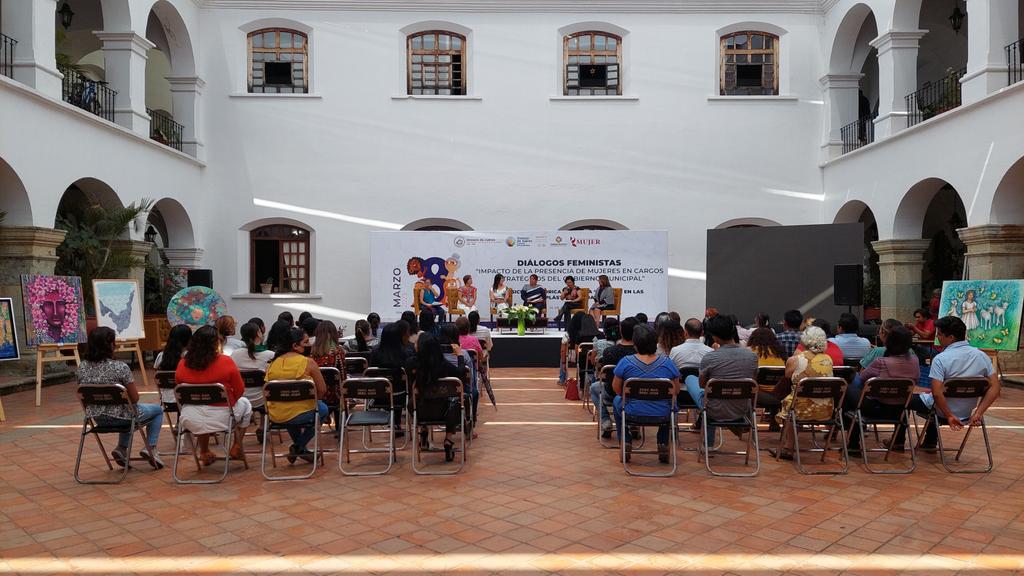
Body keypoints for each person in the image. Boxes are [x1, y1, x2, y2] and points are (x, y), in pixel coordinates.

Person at [892, 316, 1001, 450]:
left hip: (943, 412)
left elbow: (937, 394)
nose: (938, 337)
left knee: (905, 399)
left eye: (940, 334)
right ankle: (930, 442)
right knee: (934, 400)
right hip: (967, 411)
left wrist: (949, 415)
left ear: (951, 337)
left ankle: (898, 442)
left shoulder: (941, 359)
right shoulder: (982, 356)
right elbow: (995, 387)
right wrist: (978, 413)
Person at [78, 326, 165, 469]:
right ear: (111, 344)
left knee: (126, 409)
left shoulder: (82, 368)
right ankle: (150, 448)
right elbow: (135, 398)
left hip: (97, 418)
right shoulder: (120, 367)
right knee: (156, 410)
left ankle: (122, 448)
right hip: (122, 417)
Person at [175, 325, 252, 466]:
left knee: (200, 406)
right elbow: (240, 390)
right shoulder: (225, 361)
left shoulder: (182, 364)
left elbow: (179, 389)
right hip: (223, 417)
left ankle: (203, 451)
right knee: (246, 405)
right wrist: (229, 401)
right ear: (216, 343)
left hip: (190, 418)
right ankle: (236, 445)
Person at [611, 324, 680, 463]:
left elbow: (617, 389)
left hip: (632, 412)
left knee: (616, 401)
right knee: (672, 404)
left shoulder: (625, 362)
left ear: (635, 343)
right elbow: (676, 391)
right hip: (663, 414)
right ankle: (663, 443)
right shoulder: (667, 363)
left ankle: (625, 441)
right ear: (655, 342)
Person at [845, 326, 920, 453]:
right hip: (901, 410)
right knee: (905, 400)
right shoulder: (915, 361)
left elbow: (861, 378)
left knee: (847, 390)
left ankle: (853, 442)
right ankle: (898, 441)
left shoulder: (881, 362)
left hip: (875, 408)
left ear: (889, 342)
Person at [769, 326, 834, 461]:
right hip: (826, 410)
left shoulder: (795, 360)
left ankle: (788, 446)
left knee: (791, 404)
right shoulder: (828, 360)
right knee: (795, 401)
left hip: (800, 410)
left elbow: (787, 375)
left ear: (804, 340)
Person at [265, 327, 329, 463]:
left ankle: (300, 449)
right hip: (300, 413)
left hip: (276, 415)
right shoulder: (308, 363)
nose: (309, 345)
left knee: (289, 410)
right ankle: (298, 446)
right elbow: (322, 389)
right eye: (306, 342)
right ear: (295, 345)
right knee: (322, 409)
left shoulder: (272, 364)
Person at [691, 315, 758, 444]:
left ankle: (708, 443)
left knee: (691, 380)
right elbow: (752, 384)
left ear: (714, 336)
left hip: (713, 409)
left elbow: (702, 384)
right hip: (741, 409)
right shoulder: (752, 357)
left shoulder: (710, 357)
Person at [408, 333, 465, 461]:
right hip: (444, 412)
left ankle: (423, 429)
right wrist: (460, 355)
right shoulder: (443, 365)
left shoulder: (412, 364)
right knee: (456, 402)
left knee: (414, 400)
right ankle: (448, 439)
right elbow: (461, 373)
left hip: (421, 412)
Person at [594, 317, 638, 438]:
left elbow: (604, 374)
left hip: (613, 391)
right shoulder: (641, 353)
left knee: (594, 388)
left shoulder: (609, 352)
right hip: (637, 392)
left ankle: (605, 420)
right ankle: (634, 424)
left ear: (621, 331)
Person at [369, 321, 413, 435]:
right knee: (400, 388)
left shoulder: (375, 352)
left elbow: (370, 372)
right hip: (401, 397)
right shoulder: (406, 353)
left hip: (378, 395)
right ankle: (397, 422)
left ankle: (393, 421)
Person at [309, 320, 346, 418]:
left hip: (317, 394)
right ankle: (341, 427)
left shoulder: (313, 352)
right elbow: (342, 375)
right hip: (335, 396)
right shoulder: (338, 352)